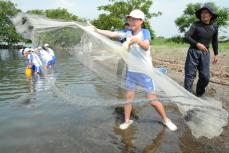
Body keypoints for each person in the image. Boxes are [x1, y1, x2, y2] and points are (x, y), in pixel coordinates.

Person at [94, 9, 177, 131]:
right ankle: (127, 121)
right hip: (132, 72)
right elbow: (112, 34)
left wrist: (136, 41)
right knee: (128, 97)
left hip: (145, 72)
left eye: (134, 19)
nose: (131, 21)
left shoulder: (145, 32)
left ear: (141, 21)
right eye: (129, 19)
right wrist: (97, 30)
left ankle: (166, 119)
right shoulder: (126, 33)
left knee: (152, 100)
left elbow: (146, 46)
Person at [184, 4, 218, 97]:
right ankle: (187, 96)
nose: (203, 14)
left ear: (211, 15)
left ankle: (199, 94)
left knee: (205, 77)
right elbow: (186, 36)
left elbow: (214, 41)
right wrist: (197, 44)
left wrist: (216, 54)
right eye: (202, 13)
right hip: (193, 52)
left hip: (205, 53)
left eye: (206, 13)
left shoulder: (214, 27)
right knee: (190, 75)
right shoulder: (195, 25)